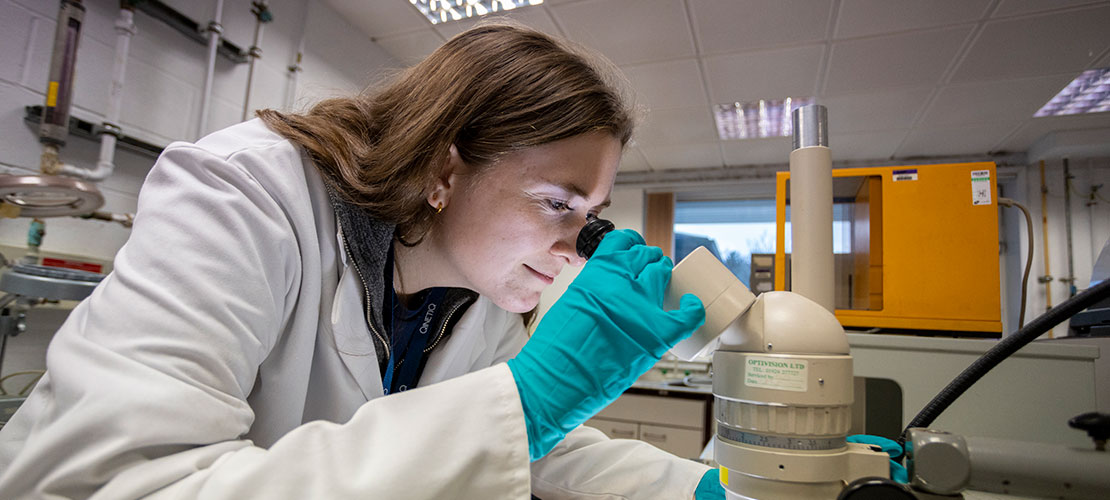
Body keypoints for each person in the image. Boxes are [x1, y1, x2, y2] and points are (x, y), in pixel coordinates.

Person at [0, 22, 725, 499]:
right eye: (557, 202)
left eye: (589, 216)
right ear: (444, 170)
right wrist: (531, 398)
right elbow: (111, 483)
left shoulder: (477, 298)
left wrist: (698, 486)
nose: (573, 248)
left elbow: (515, 446)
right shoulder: (247, 195)